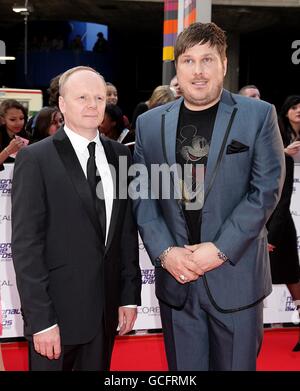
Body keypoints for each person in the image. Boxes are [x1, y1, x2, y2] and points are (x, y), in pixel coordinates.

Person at [132, 22, 285, 371]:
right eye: (188, 61)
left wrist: (218, 250)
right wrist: (166, 252)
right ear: (177, 68)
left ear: (224, 64)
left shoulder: (259, 115)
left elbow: (264, 191)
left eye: (207, 59)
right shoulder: (150, 123)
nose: (198, 71)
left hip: (236, 279)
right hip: (177, 281)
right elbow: (142, 195)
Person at [11, 66, 141, 371]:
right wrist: (41, 321)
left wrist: (128, 296)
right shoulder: (36, 159)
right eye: (82, 97)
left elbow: (125, 232)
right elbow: (27, 245)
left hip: (105, 314)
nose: (92, 104)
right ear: (62, 104)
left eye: (98, 97)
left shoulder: (121, 155)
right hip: (55, 317)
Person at [267, 95, 300, 352]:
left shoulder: (285, 159)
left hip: (278, 232)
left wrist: (269, 236)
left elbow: (282, 202)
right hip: (253, 232)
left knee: (293, 282)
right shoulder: (249, 159)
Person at [0, 99, 29, 170]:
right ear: (2, 120)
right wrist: (8, 150)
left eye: (21, 118)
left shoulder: (27, 136)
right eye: (13, 119)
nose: (18, 123)